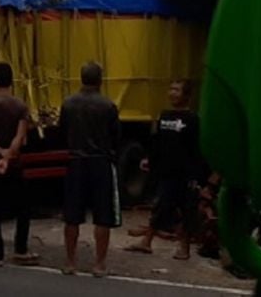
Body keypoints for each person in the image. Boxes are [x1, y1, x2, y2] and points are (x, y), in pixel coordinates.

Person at [126, 80, 204, 260]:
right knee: (160, 206)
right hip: (166, 173)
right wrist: (149, 159)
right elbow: (158, 142)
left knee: (186, 211)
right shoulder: (165, 115)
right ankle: (146, 243)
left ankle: (183, 248)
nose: (172, 93)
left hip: (185, 174)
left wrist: (197, 177)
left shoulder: (193, 120)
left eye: (176, 90)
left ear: (186, 95)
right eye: (171, 89)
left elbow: (196, 150)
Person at [60, 61, 121, 277]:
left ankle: (70, 262)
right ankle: (99, 264)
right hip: (100, 162)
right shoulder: (108, 106)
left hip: (76, 161)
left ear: (81, 78)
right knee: (103, 216)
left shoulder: (68, 103)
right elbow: (116, 137)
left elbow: (62, 131)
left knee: (72, 216)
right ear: (100, 80)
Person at [0, 63, 39, 267]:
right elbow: (19, 137)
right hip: (14, 164)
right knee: (23, 207)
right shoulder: (19, 106)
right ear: (11, 79)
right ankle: (20, 249)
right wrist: (8, 156)